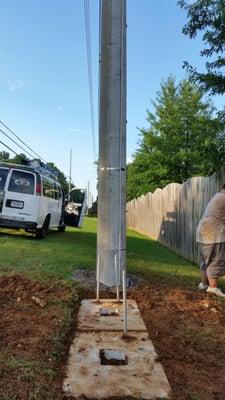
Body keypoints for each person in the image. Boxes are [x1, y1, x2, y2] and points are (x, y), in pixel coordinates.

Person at [196, 184, 225, 298]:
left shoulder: (218, 196)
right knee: (215, 259)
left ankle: (204, 284)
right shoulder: (223, 198)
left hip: (203, 232)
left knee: (205, 261)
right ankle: (213, 287)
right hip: (213, 233)